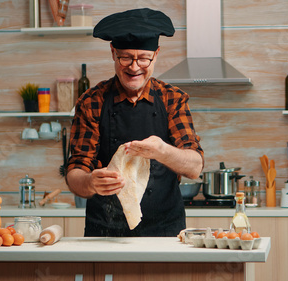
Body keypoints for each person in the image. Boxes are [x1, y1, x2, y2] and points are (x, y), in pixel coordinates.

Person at [66, 8, 204, 237]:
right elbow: (75, 172)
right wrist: (91, 182)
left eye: (143, 58)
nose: (134, 67)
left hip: (165, 233)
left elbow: (195, 167)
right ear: (113, 52)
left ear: (156, 54)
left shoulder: (173, 99)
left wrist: (161, 150)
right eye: (126, 57)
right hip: (105, 234)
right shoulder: (92, 101)